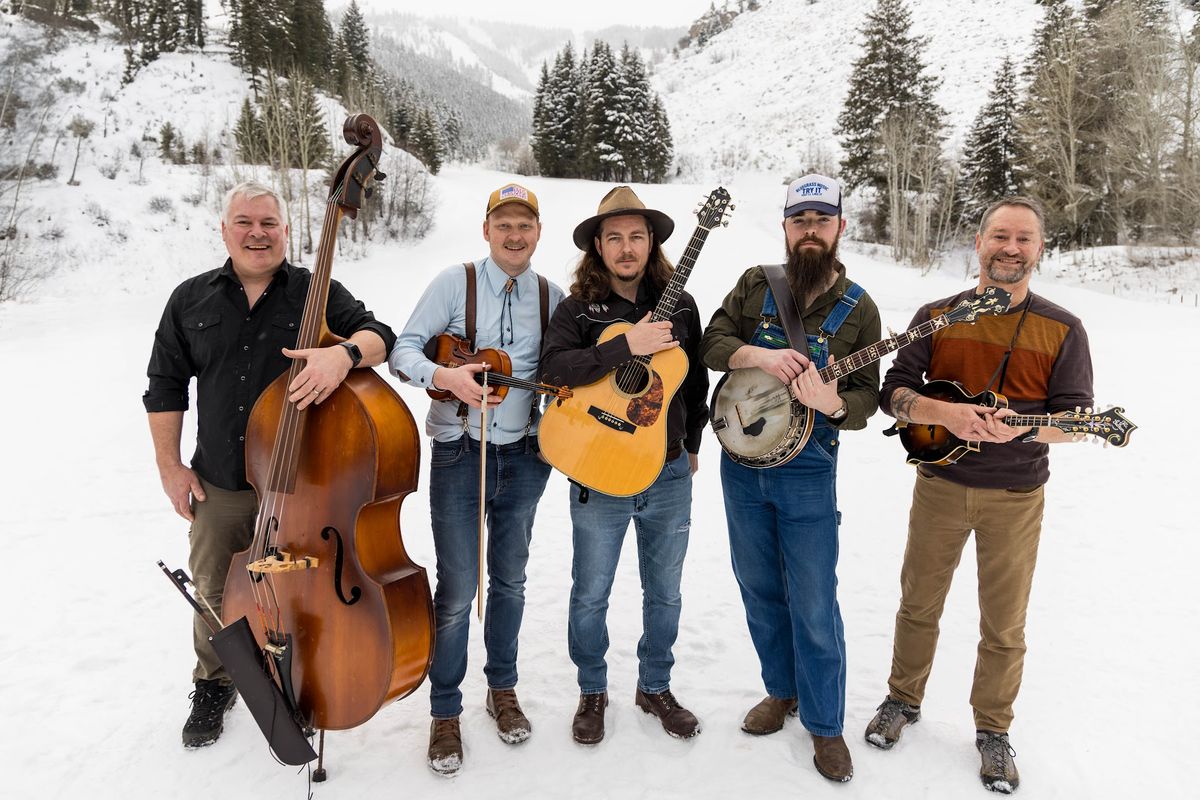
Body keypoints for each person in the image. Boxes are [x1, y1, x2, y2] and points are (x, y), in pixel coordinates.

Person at [144, 181, 396, 748]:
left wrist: (343, 354)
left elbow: (381, 336)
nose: (258, 233)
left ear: (285, 231)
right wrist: (169, 468)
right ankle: (214, 682)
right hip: (221, 480)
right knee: (214, 586)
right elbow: (164, 386)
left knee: (307, 589)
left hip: (306, 487)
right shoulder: (190, 299)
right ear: (225, 229)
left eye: (269, 224)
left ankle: (305, 677)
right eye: (245, 222)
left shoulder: (315, 290)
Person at [864, 196, 1094, 794]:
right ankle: (902, 699)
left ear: (1039, 249)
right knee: (918, 603)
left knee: (1005, 623)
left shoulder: (1064, 329)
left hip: (1016, 497)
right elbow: (894, 391)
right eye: (999, 236)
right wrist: (948, 414)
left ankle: (993, 730)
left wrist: (1022, 426)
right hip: (938, 486)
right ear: (979, 242)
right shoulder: (938, 314)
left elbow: (1076, 420)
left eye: (1023, 239)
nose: (1010, 248)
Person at [699, 174, 880, 783]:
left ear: (838, 229)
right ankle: (782, 690)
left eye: (821, 221)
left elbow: (867, 400)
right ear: (785, 226)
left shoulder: (860, 308)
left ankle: (826, 726)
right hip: (741, 463)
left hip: (809, 472)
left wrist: (832, 404)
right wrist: (757, 356)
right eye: (799, 220)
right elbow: (712, 341)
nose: (809, 231)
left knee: (812, 599)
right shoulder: (756, 284)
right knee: (757, 587)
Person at [389, 183, 564, 776]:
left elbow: (569, 370)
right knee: (460, 589)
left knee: (510, 581)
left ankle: (503, 689)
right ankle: (444, 711)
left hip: (525, 456)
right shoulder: (452, 283)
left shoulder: (551, 295)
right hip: (460, 452)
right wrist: (448, 375)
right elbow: (402, 351)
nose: (515, 236)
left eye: (526, 226)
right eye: (504, 225)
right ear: (486, 230)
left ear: (538, 233)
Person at [539, 185, 709, 746]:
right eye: (615, 237)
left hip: (665, 474)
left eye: (637, 236)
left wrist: (692, 445)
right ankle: (593, 688)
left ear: (653, 242)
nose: (627, 247)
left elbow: (698, 382)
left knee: (665, 592)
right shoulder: (577, 310)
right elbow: (555, 370)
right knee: (591, 591)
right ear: (598, 247)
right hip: (597, 471)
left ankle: (655, 686)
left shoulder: (681, 306)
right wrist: (624, 346)